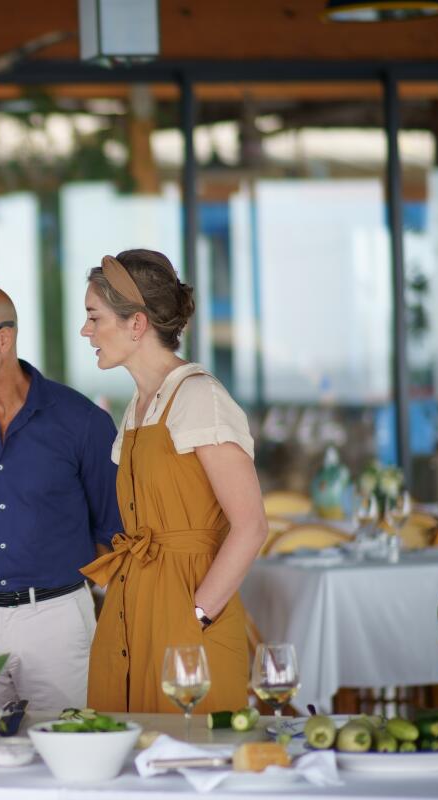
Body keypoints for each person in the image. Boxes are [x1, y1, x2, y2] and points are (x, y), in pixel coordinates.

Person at [78, 249, 267, 713]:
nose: (86, 331)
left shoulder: (200, 397)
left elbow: (252, 526)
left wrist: (197, 614)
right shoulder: (139, 406)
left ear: (136, 325)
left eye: (94, 317)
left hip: (186, 606)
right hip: (134, 605)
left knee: (191, 758)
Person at [0, 284, 121, 711]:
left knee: (66, 747)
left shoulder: (84, 423)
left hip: (57, 618)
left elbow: (111, 532)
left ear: (4, 338)